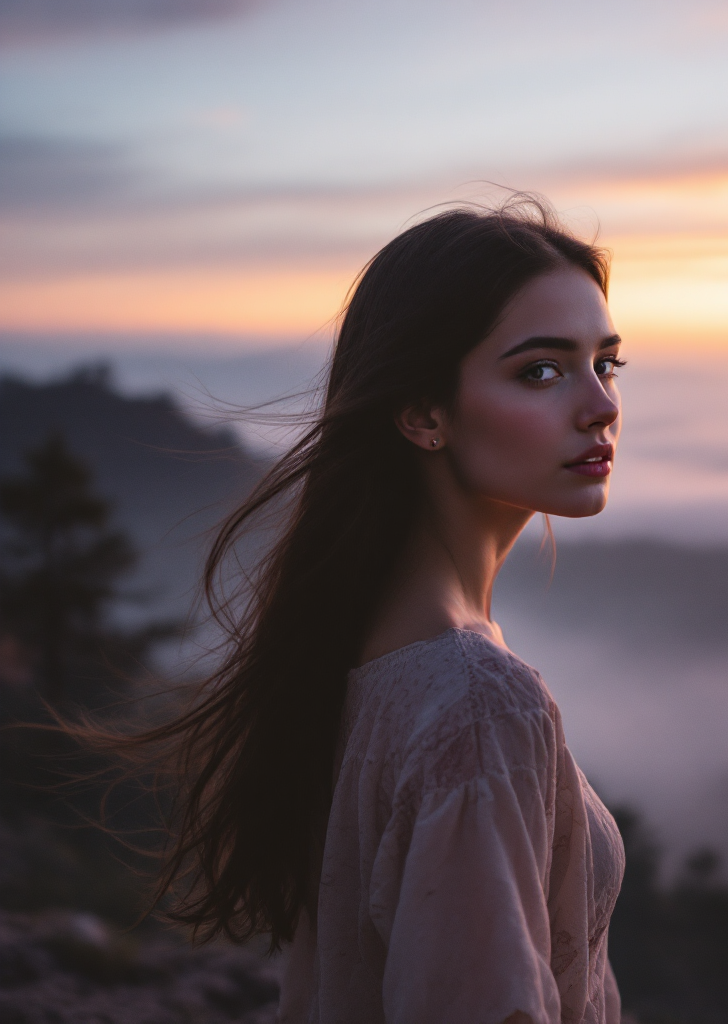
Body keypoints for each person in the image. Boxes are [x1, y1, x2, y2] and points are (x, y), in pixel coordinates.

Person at [145, 196, 626, 1023]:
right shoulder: (478, 704)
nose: (602, 406)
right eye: (541, 371)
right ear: (422, 414)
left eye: (606, 364)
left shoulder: (364, 647)